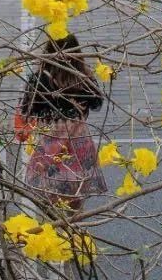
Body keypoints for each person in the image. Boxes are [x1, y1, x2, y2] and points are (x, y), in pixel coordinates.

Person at [19, 34, 106, 210]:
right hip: (78, 141)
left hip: (51, 141)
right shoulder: (83, 77)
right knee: (75, 198)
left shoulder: (39, 79)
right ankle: (74, 232)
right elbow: (97, 103)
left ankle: (53, 234)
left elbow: (26, 110)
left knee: (50, 198)